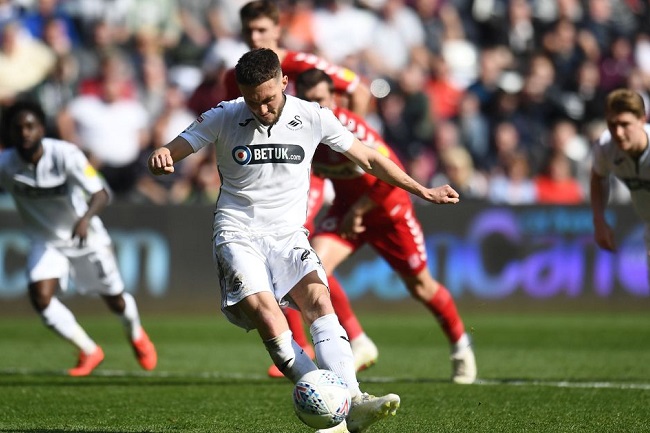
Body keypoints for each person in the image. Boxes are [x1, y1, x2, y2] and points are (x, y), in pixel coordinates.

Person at [147, 48, 460, 433]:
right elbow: (179, 145)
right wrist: (163, 154)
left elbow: (369, 158)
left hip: (288, 234)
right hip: (237, 232)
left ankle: (352, 400)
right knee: (268, 314)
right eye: (253, 101)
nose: (262, 109)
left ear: (284, 82)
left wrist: (422, 190)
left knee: (319, 301)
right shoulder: (224, 115)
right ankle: (328, 405)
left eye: (268, 99)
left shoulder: (312, 116)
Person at [227, 0, 379, 378]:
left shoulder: (299, 64)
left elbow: (358, 89)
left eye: (262, 30)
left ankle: (343, 340)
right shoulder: (240, 75)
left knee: (296, 248)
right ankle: (319, 342)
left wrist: (343, 137)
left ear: (277, 30)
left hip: (311, 168)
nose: (255, 37)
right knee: (290, 254)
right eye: (249, 31)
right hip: (273, 171)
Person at [296, 68, 477, 384]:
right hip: (347, 210)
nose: (316, 108)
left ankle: (461, 346)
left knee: (421, 287)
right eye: (308, 101)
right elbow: (314, 179)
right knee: (314, 267)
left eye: (320, 100)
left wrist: (358, 211)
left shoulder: (350, 128)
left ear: (335, 98)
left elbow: (390, 171)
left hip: (388, 210)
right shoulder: (303, 132)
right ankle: (359, 341)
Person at [0, 99, 157, 377]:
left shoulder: (66, 155)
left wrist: (85, 219)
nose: (24, 133)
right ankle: (89, 350)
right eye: (18, 128)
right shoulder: (5, 164)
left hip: (85, 237)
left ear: (42, 129)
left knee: (115, 300)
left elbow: (101, 194)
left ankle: (135, 334)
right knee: (40, 297)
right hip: (46, 240)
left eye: (30, 126)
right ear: (10, 132)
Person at [591, 88, 650, 285]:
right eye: (612, 124)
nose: (618, 133)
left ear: (642, 120)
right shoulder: (606, 148)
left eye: (625, 124)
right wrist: (599, 220)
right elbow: (598, 177)